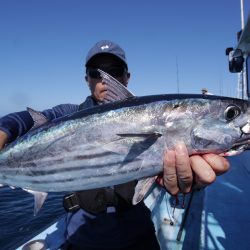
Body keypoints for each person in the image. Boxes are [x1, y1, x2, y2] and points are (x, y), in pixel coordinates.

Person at [0, 40, 229, 250]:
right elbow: (21, 120)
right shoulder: (69, 114)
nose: (104, 79)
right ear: (86, 79)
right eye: (95, 73)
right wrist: (3, 131)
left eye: (114, 71)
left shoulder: (150, 114)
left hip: (134, 226)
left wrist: (187, 180)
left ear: (126, 77)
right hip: (83, 229)